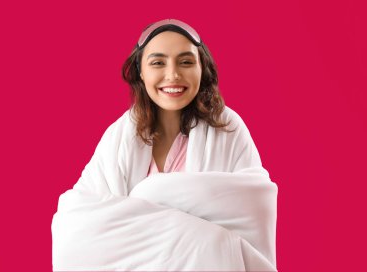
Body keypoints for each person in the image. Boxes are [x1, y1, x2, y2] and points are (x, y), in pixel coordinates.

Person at [52, 19, 278, 271]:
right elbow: (75, 230)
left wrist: (151, 202)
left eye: (186, 62)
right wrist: (194, 233)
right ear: (140, 71)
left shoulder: (228, 128)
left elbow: (254, 212)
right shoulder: (118, 138)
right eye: (158, 63)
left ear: (202, 68)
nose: (173, 74)